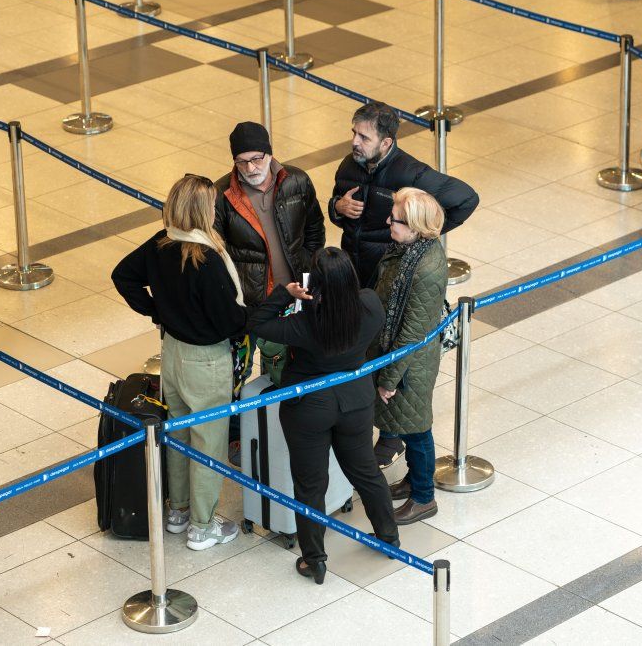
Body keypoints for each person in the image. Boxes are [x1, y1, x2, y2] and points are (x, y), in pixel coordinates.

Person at [329, 101, 477, 467]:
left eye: (364, 136)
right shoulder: (350, 165)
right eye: (354, 132)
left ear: (387, 142)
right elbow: (338, 204)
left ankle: (392, 436)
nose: (355, 141)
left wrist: (425, 232)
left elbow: (465, 198)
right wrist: (337, 208)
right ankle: (365, 418)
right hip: (359, 273)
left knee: (390, 347)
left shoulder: (412, 173)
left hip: (393, 277)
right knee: (361, 347)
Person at [248, 247, 399, 585]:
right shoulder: (370, 305)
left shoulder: (304, 324)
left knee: (310, 485)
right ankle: (389, 538)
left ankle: (314, 560)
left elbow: (257, 323)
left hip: (308, 409)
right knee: (366, 473)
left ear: (314, 284)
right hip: (356, 400)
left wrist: (284, 293)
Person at [112, 174, 247, 551]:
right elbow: (231, 321)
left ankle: (178, 512)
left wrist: (156, 311)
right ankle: (203, 527)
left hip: (172, 354)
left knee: (179, 435)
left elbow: (122, 275)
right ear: (204, 211)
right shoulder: (207, 260)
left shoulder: (159, 245)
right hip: (206, 362)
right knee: (209, 443)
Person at [369, 188, 448, 526]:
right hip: (399, 357)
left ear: (415, 226)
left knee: (416, 429)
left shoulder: (425, 268)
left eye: (395, 219)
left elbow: (412, 334)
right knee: (407, 425)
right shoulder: (410, 250)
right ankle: (415, 480)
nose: (388, 221)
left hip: (409, 365)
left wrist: (388, 379)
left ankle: (424, 497)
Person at [215, 121, 325, 306]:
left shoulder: (297, 181)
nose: (250, 168)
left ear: (270, 154)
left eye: (256, 159)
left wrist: (308, 266)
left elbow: (314, 228)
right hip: (254, 301)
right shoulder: (220, 195)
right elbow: (217, 251)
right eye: (241, 161)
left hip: (299, 292)